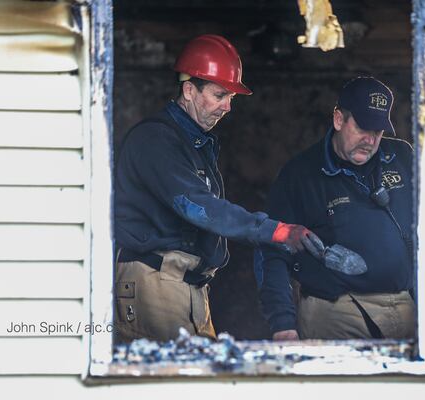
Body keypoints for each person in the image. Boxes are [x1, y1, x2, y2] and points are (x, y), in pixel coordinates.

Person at [113, 34, 320, 343]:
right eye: (219, 94)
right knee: (169, 383)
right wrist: (275, 231)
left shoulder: (196, 144)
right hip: (155, 281)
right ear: (188, 90)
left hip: (190, 287)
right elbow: (198, 207)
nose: (227, 107)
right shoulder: (156, 141)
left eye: (231, 98)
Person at [255, 76, 416, 341]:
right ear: (339, 119)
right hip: (335, 310)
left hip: (402, 305)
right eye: (363, 128)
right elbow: (272, 252)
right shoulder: (300, 175)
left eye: (378, 131)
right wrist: (282, 323)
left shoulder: (402, 158)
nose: (371, 140)